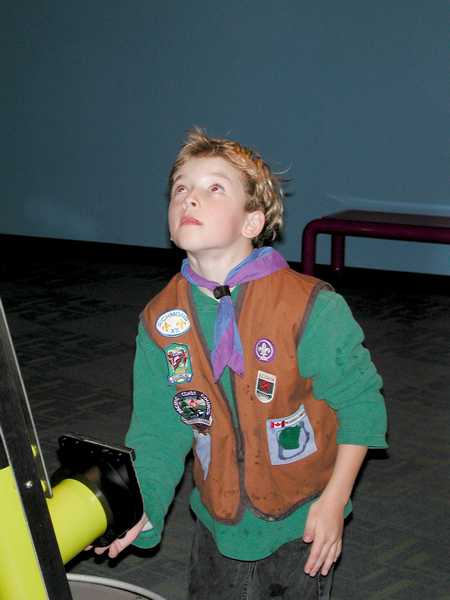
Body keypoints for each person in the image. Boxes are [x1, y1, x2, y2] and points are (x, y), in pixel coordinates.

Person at [92, 127, 388, 599]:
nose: (190, 198)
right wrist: (143, 507)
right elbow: (157, 432)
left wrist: (334, 502)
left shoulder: (308, 306)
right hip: (218, 519)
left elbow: (361, 407)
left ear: (252, 222)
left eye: (214, 188)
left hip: (301, 517)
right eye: (181, 189)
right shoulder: (160, 320)